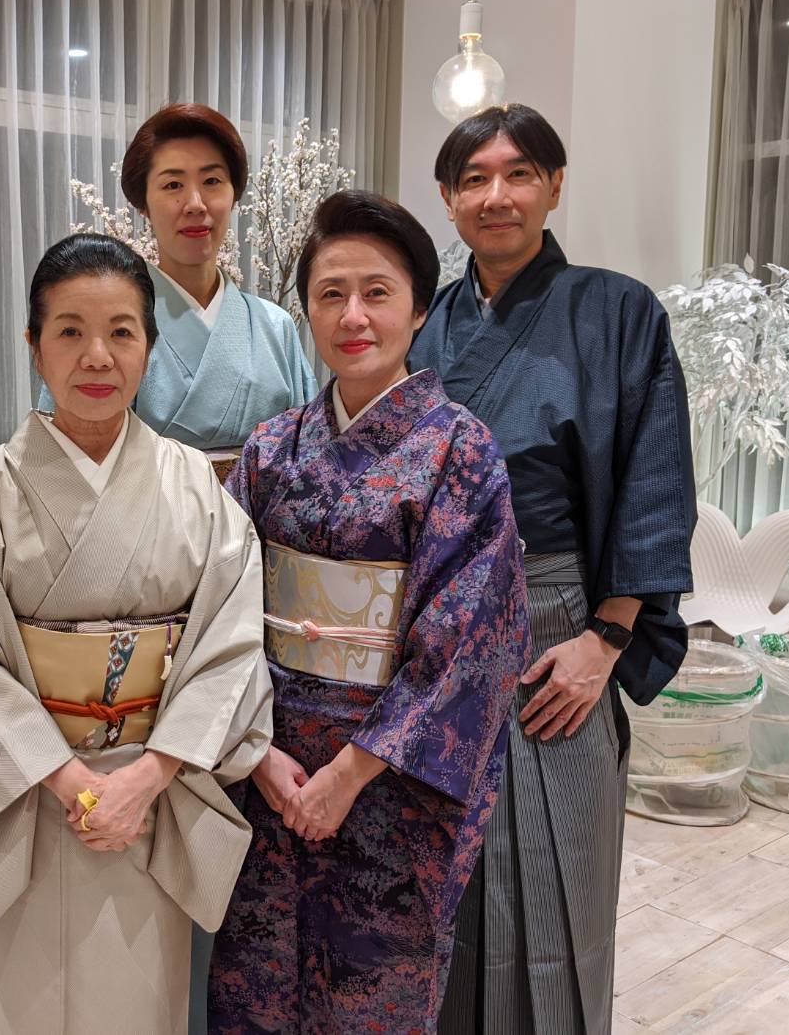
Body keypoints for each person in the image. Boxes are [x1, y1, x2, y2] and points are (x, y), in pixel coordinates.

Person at [0, 232, 273, 1034]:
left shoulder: (194, 487)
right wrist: (72, 784)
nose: (96, 356)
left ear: (149, 345)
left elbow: (229, 645)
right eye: (69, 330)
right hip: (28, 796)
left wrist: (144, 779)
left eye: (120, 331)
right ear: (34, 344)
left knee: (137, 1001)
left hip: (150, 796)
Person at [209, 190, 529, 1033]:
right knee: (253, 986)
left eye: (377, 292)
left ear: (418, 308)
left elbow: (469, 644)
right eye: (330, 294)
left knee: (371, 998)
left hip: (389, 787)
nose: (353, 316)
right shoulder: (269, 450)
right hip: (270, 768)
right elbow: (218, 613)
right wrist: (257, 754)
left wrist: (349, 774)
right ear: (306, 312)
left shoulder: (459, 452)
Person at [409, 104, 696, 1035]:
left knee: (555, 871)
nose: (496, 195)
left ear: (554, 186)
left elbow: (654, 479)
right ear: (447, 199)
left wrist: (606, 640)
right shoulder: (423, 322)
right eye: (474, 179)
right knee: (437, 888)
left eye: (519, 173)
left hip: (556, 630)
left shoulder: (618, 311)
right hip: (435, 637)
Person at [42, 103, 316, 453]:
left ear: (234, 195)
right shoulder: (107, 326)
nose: (195, 203)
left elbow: (310, 454)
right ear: (143, 204)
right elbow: (65, 451)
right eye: (173, 185)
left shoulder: (276, 328)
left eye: (212, 181)